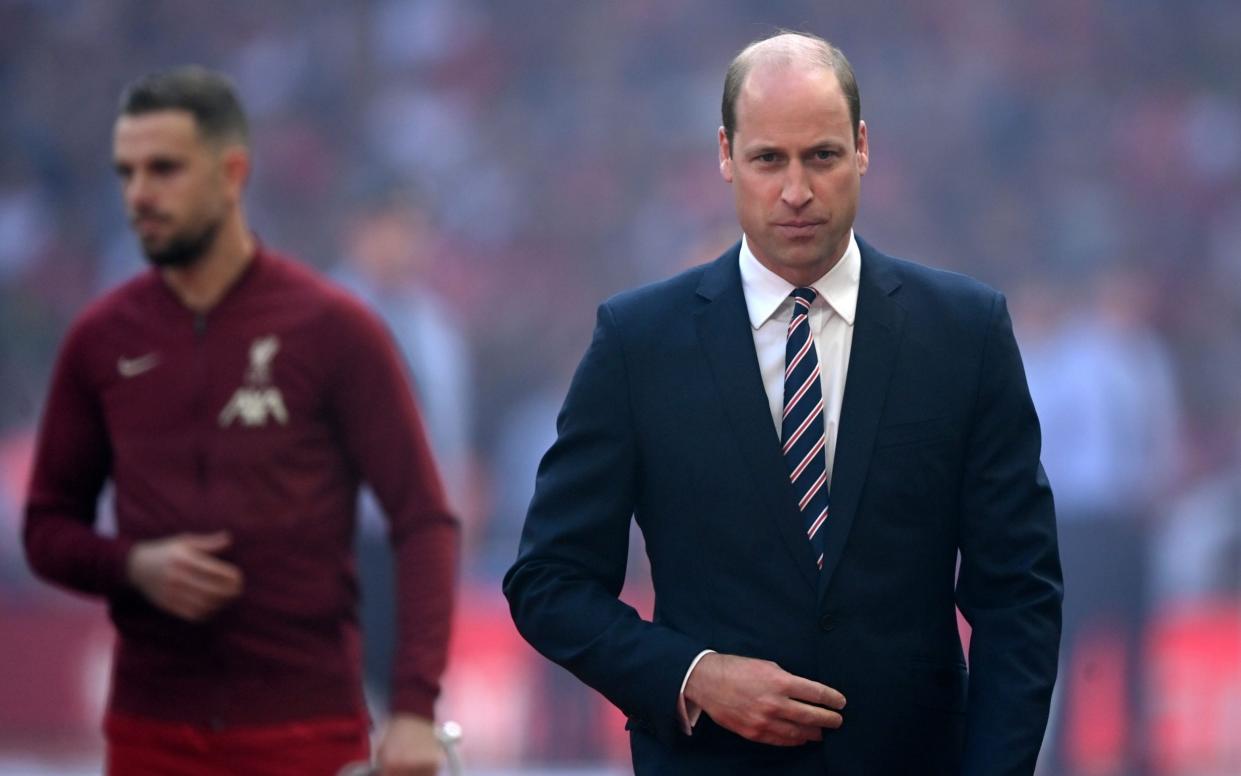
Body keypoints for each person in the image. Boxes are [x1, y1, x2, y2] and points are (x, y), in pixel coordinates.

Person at [504, 31, 1062, 775]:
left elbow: (1017, 594)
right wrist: (694, 675)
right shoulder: (637, 343)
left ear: (861, 147)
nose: (795, 190)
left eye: (821, 156)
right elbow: (548, 582)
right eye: (769, 159)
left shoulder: (964, 331)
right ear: (726, 157)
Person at [22, 66, 458, 776]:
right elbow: (45, 528)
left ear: (231, 174)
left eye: (164, 169)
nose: (139, 194)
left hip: (305, 728)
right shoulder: (101, 338)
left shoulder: (335, 330)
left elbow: (423, 518)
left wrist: (413, 708)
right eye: (126, 172)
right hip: (150, 734)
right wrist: (132, 565)